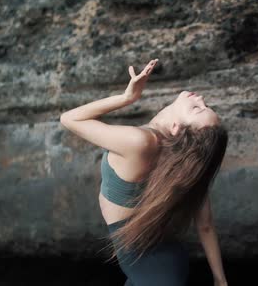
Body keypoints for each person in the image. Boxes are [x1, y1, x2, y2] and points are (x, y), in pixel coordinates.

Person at [60, 59, 229, 286]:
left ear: (176, 129)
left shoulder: (140, 142)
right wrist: (220, 279)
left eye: (198, 109)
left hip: (149, 264)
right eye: (205, 105)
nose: (199, 98)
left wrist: (127, 98)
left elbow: (69, 119)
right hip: (162, 261)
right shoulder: (181, 165)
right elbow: (205, 224)